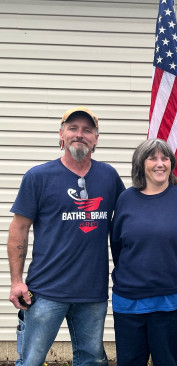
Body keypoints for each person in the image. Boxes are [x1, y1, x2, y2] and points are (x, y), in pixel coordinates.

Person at [7, 106, 125, 365]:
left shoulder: (109, 177)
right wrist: (17, 281)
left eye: (87, 130)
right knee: (30, 361)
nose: (79, 134)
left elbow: (132, 217)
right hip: (46, 290)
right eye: (72, 128)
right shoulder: (38, 177)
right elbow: (19, 229)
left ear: (96, 139)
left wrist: (170, 190)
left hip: (92, 293)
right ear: (61, 135)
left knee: (91, 360)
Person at [110, 139, 177, 366]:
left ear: (172, 163)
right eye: (152, 158)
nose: (160, 163)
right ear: (141, 163)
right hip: (129, 301)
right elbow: (117, 246)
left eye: (165, 158)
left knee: (168, 361)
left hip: (172, 300)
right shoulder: (125, 199)